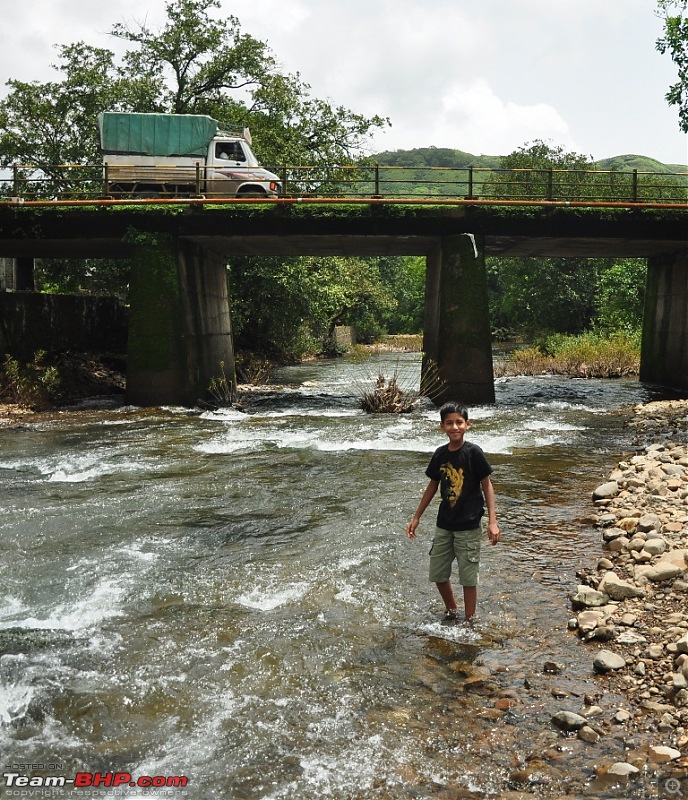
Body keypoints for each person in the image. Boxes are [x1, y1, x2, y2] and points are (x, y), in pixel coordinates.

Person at [406, 401, 500, 622]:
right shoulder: (440, 454)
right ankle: (452, 609)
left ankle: (469, 620)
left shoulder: (473, 452)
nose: (454, 427)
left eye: (459, 422)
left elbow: (487, 485)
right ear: (442, 427)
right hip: (444, 524)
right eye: (449, 423)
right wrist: (416, 516)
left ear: (468, 425)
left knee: (468, 578)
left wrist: (492, 521)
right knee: (438, 573)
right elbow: (432, 486)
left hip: (468, 525)